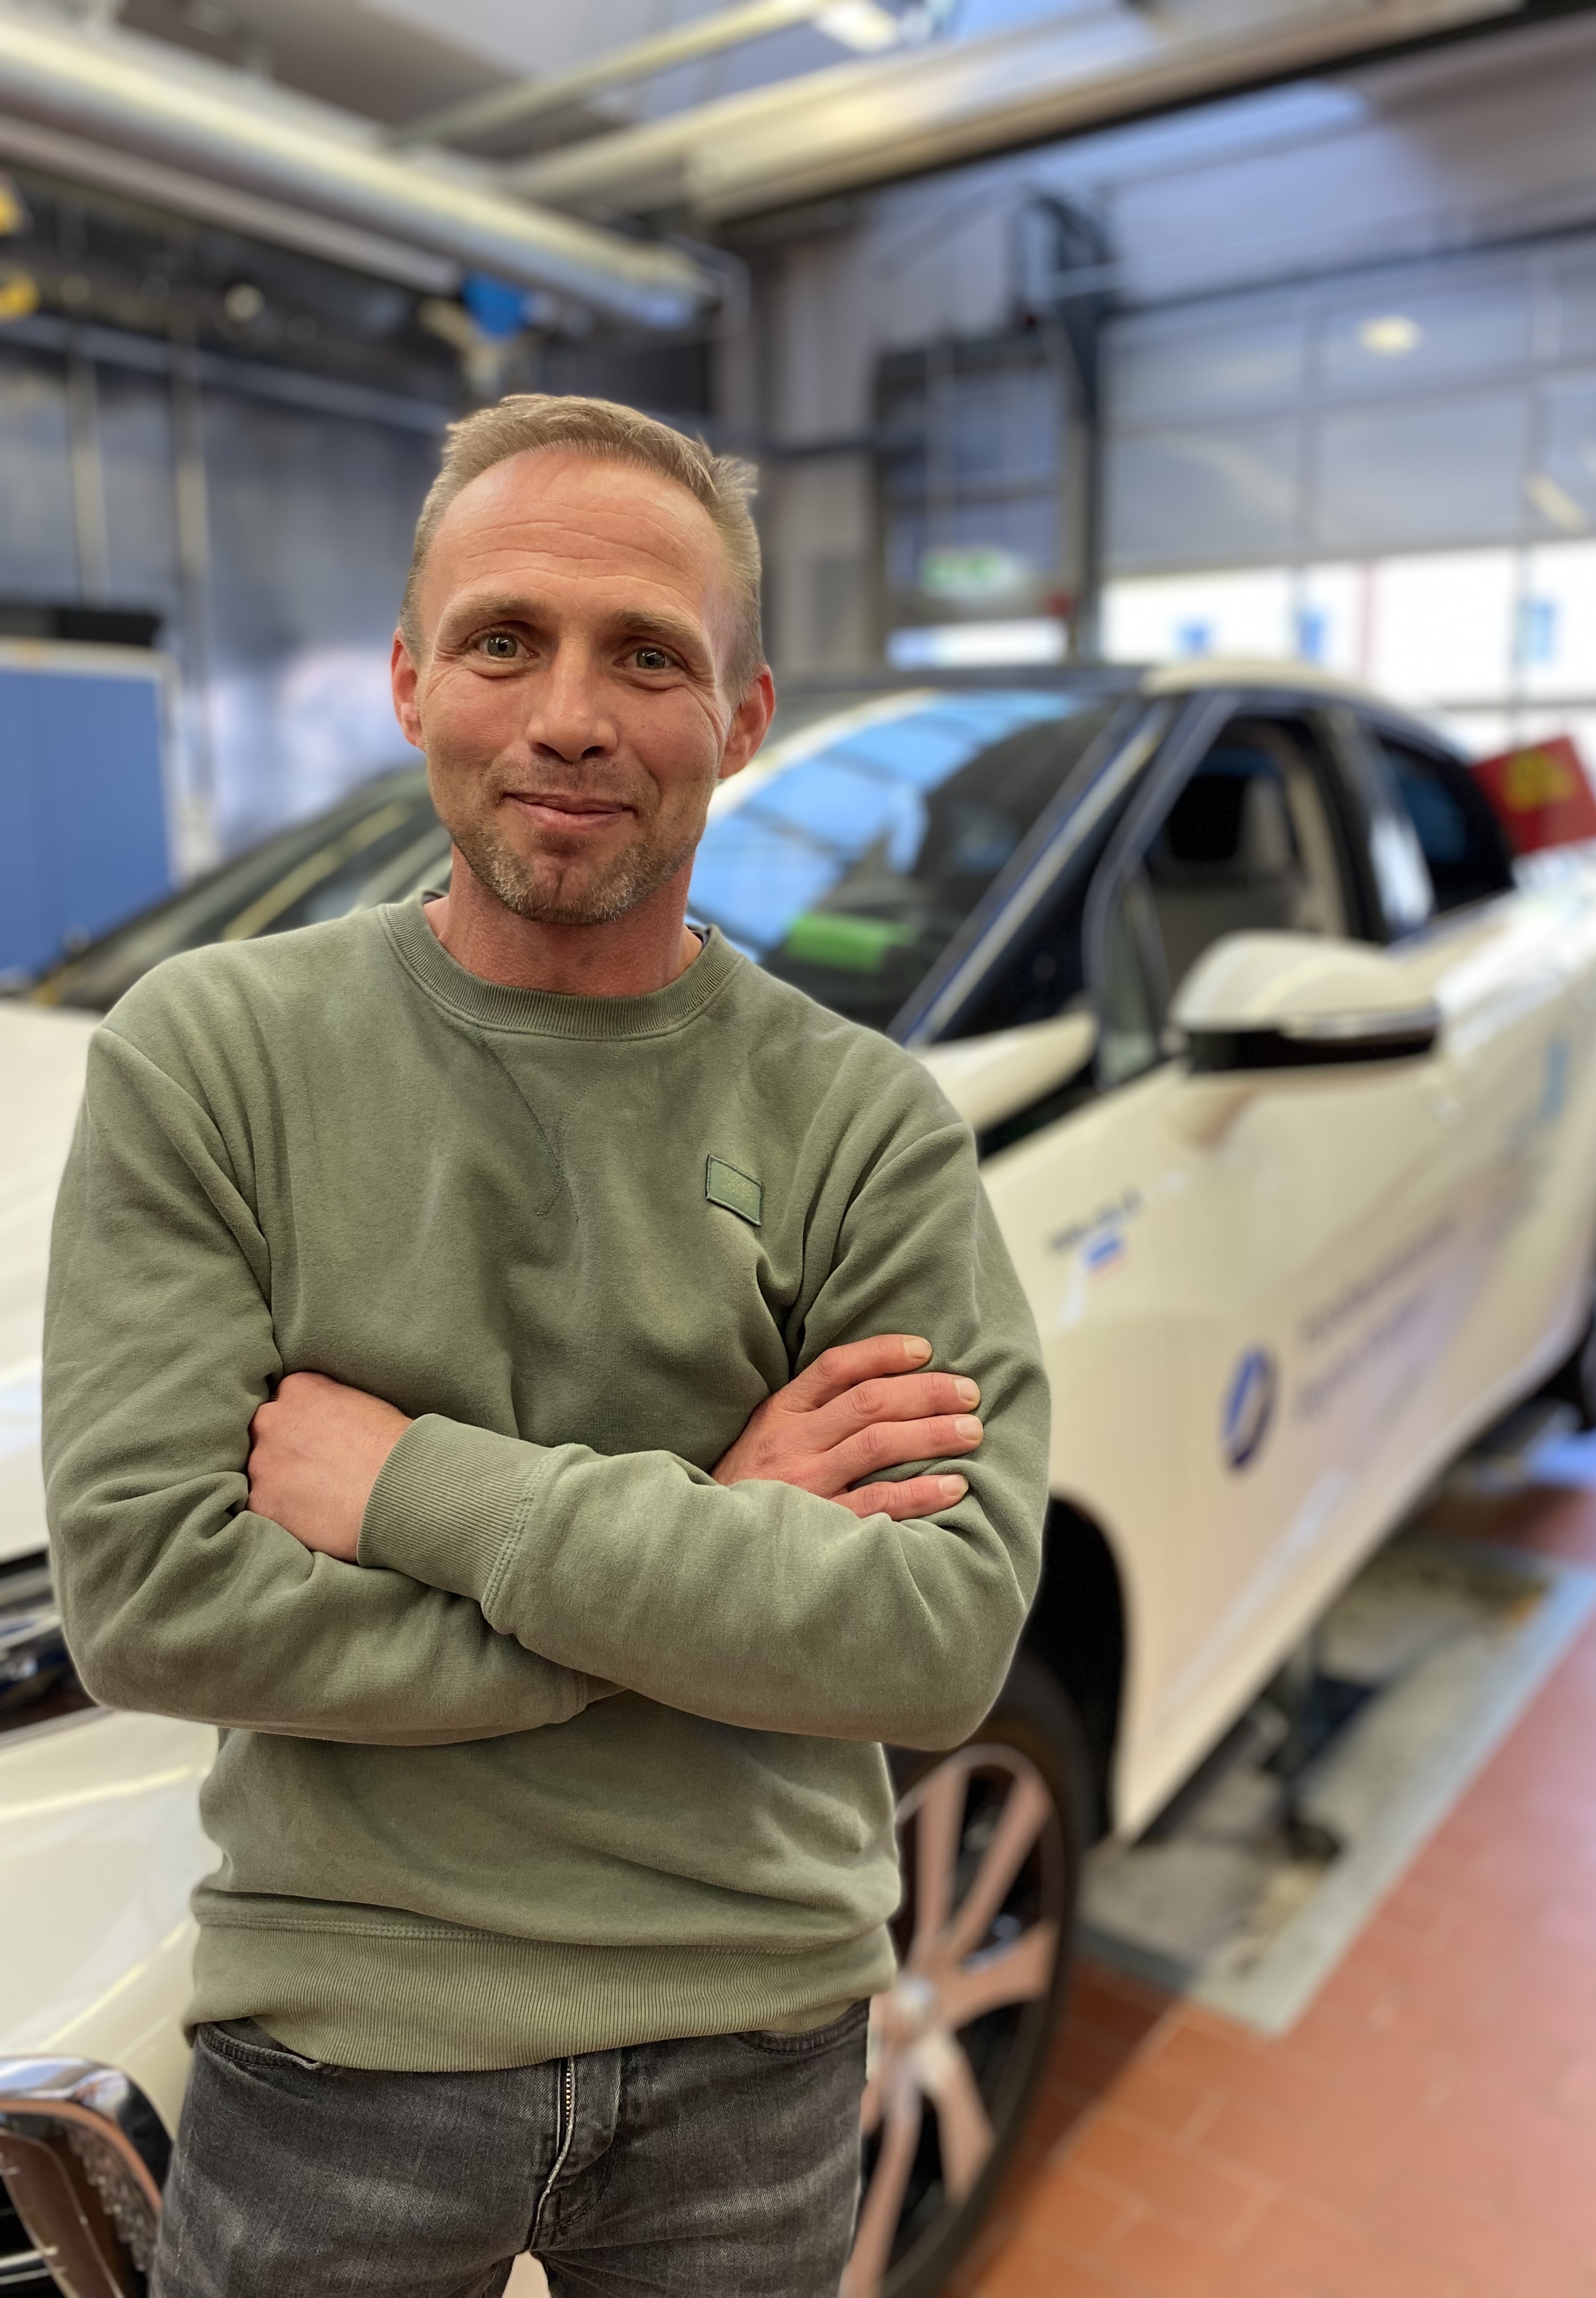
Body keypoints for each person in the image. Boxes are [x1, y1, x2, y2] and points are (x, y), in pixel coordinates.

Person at [43, 394, 1050, 2298]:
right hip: (341, 2035)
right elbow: (160, 1609)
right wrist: (711, 1548)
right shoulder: (215, 1057)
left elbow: (934, 1640)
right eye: (505, 640)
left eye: (648, 656)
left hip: (758, 2033)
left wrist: (411, 1485)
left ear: (743, 719)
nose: (572, 715)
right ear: (411, 680)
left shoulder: (866, 1127)